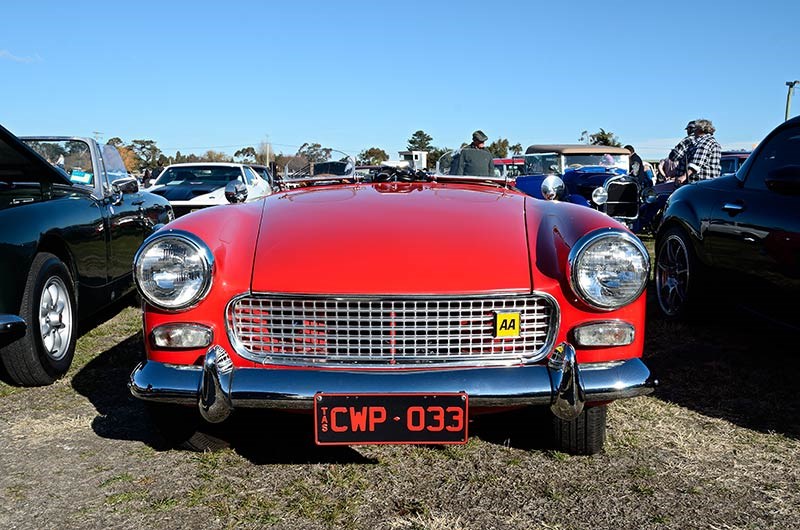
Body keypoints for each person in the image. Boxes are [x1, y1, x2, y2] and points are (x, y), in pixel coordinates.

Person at [680, 119, 721, 184]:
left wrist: (683, 177)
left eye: (695, 128)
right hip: (710, 182)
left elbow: (696, 163)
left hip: (701, 183)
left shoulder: (705, 142)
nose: (694, 131)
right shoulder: (712, 141)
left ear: (700, 129)